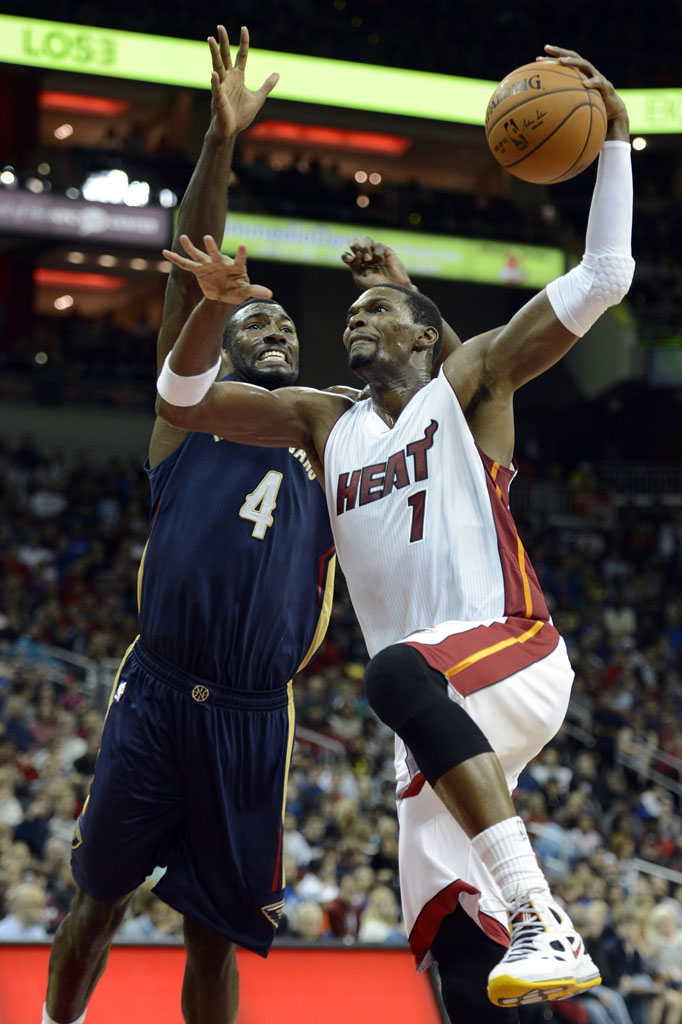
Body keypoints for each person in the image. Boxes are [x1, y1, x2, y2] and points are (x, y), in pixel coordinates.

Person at [157, 46, 634, 1022]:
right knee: (464, 961)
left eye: (384, 308)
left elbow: (606, 271)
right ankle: (524, 936)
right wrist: (207, 314)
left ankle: (544, 909)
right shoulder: (324, 423)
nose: (358, 317)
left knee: (392, 674)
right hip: (432, 713)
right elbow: (181, 399)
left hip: (506, 654)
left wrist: (617, 137)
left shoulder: (470, 393)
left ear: (426, 333)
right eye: (355, 311)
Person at [40, 27, 331, 1024]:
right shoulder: (186, 422)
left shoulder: (333, 439)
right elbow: (188, 268)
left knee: (216, 933)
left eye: (288, 322)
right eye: (258, 320)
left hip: (253, 712)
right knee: (100, 897)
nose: (278, 327)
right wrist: (221, 139)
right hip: (160, 690)